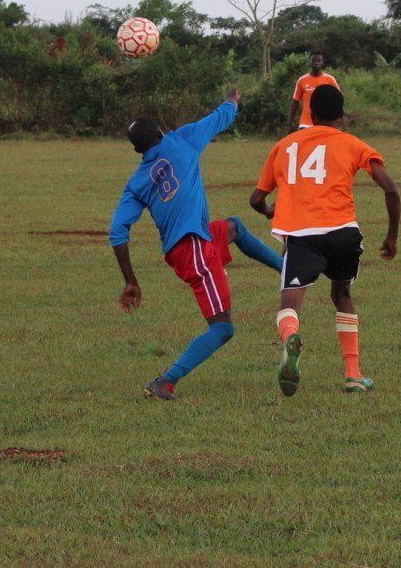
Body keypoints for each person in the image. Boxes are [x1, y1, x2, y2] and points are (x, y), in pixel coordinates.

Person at [110, 90, 284, 400]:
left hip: (188, 245)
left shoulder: (136, 182)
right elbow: (219, 118)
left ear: (138, 150)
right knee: (222, 328)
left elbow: (118, 231)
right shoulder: (181, 140)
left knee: (233, 227)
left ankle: (286, 269)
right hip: (193, 249)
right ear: (161, 133)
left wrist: (130, 280)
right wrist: (232, 100)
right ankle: (165, 381)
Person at [250, 84, 399, 396]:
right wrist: (392, 235)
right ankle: (353, 375)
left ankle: (291, 337)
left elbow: (256, 199)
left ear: (311, 113)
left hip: (302, 236)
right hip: (343, 232)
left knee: (290, 302)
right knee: (342, 295)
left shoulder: (284, 145)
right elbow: (390, 188)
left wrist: (267, 210)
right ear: (342, 116)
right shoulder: (353, 144)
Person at [290, 52, 339, 130]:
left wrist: (340, 121)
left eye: (318, 60)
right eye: (314, 60)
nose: (316, 63)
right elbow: (295, 102)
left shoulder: (330, 79)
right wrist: (290, 122)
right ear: (310, 62)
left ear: (323, 62)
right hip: (305, 123)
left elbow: (338, 100)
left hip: (323, 123)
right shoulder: (302, 80)